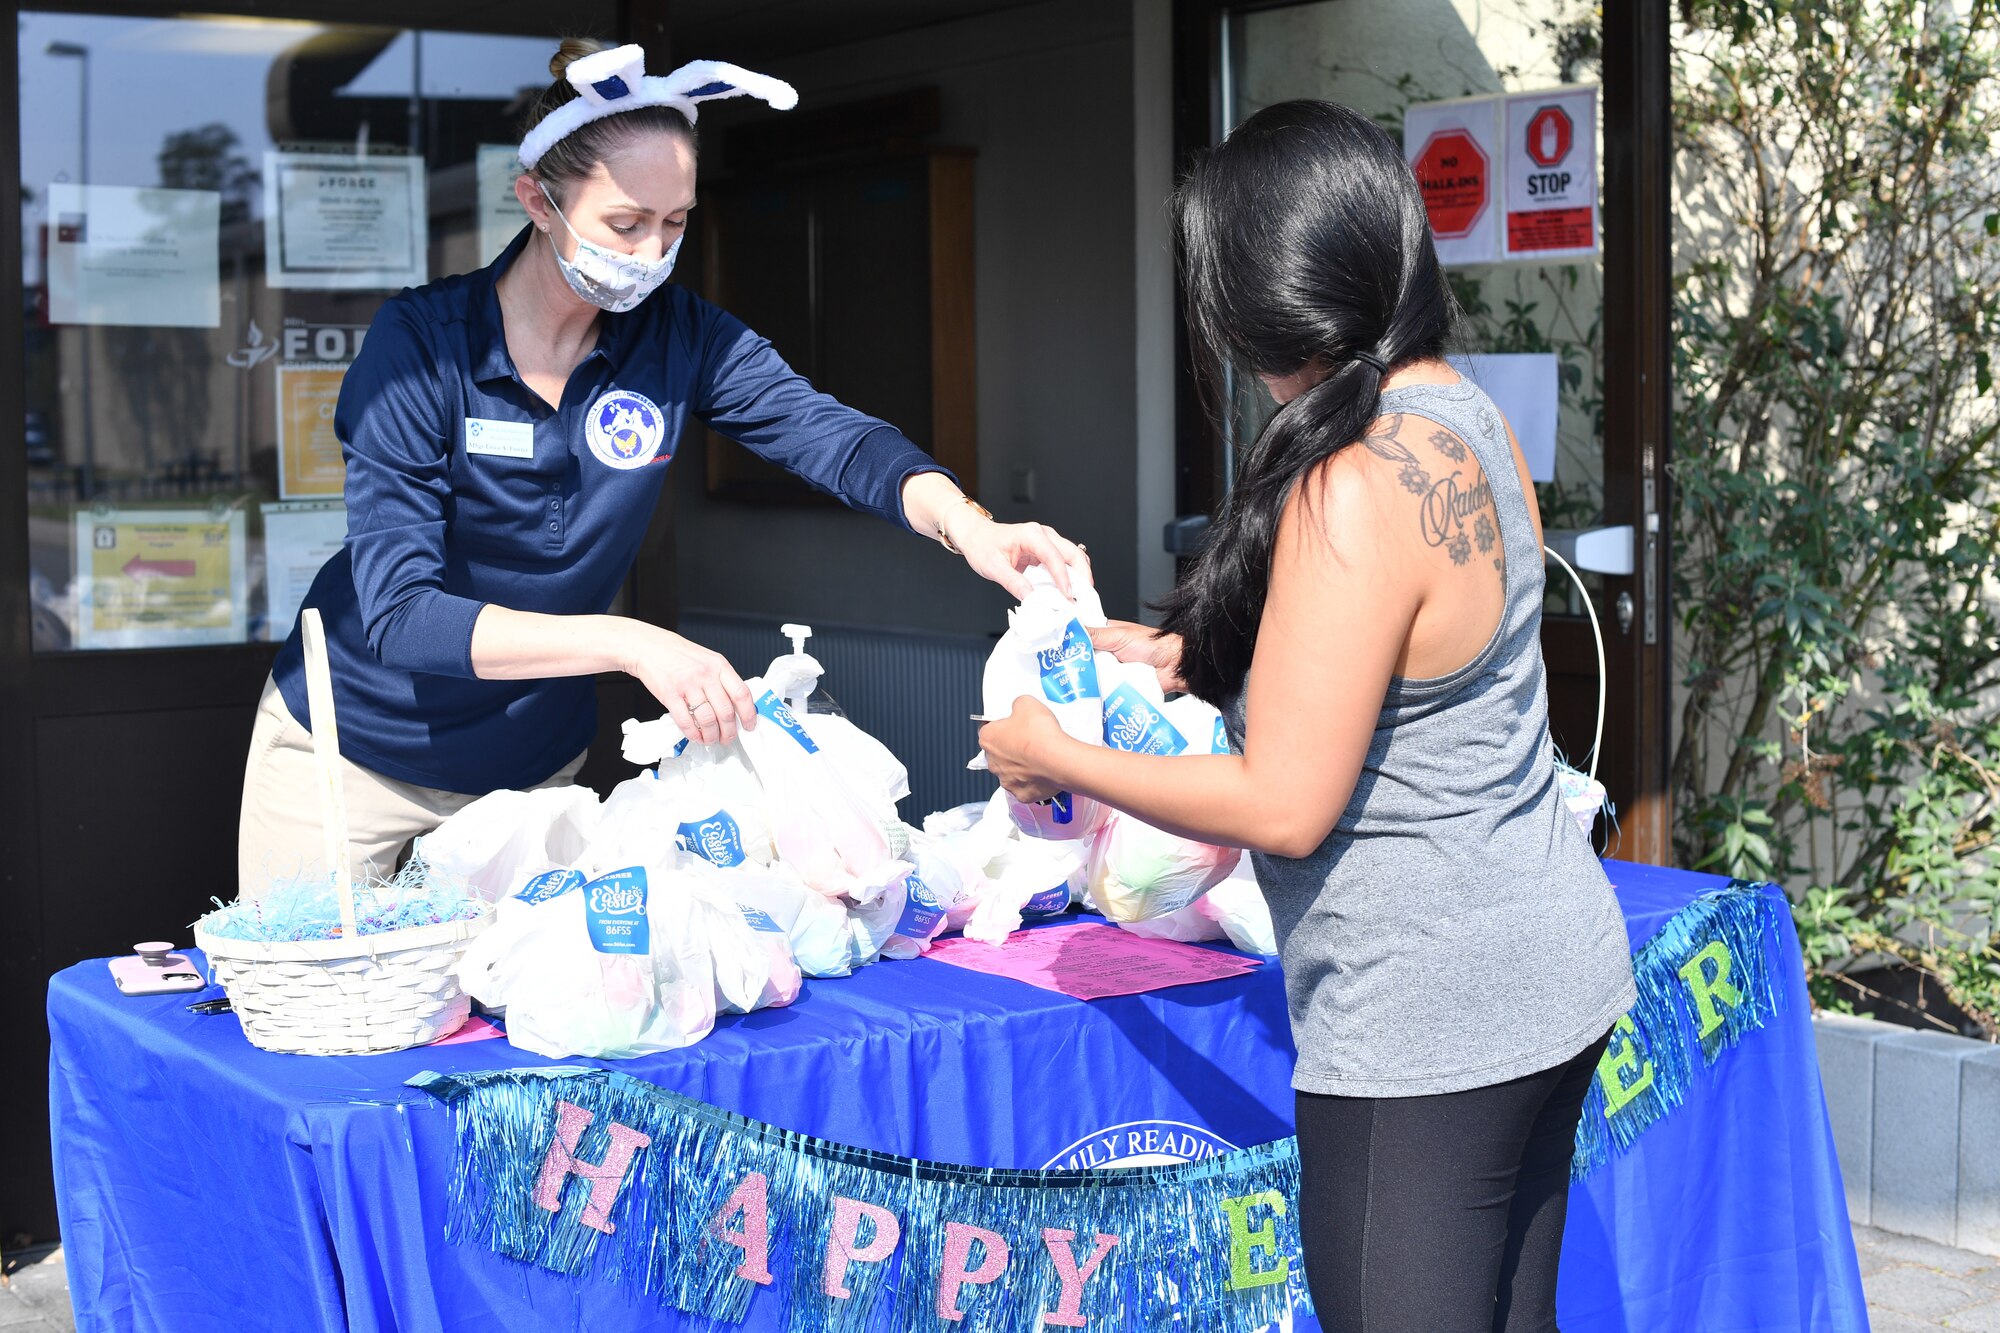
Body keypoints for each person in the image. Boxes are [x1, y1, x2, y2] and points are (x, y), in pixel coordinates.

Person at [978, 100, 1636, 1332]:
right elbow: (1418, 655)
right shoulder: (1462, 410)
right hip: (1551, 964)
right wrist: (1189, 658)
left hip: (1430, 1014)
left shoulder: (1349, 477)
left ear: (1252, 309)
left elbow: (1284, 804)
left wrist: (1056, 753)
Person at [239, 41, 1086, 893]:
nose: (651, 252)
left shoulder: (680, 338)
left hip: (528, 771)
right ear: (538, 200)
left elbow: (835, 438)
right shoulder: (421, 348)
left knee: (521, 1009)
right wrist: (628, 642)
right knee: (319, 1008)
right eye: (625, 223)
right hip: (349, 753)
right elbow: (401, 614)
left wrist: (970, 525)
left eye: (675, 222)